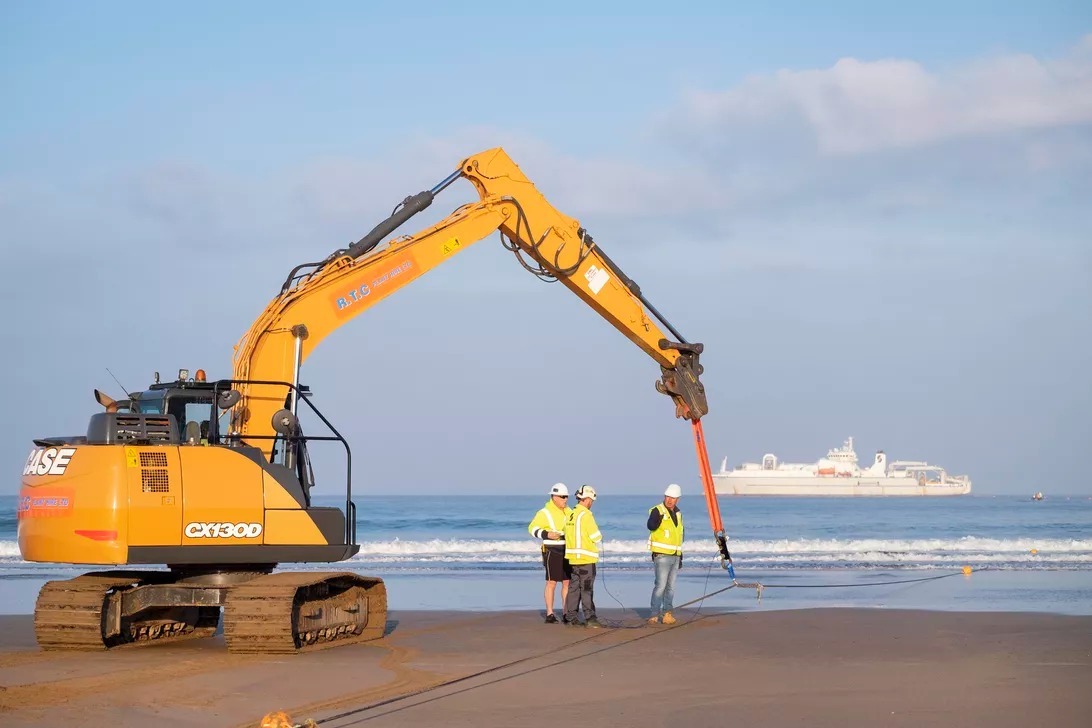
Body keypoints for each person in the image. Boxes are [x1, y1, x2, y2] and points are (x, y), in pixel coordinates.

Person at [527, 482, 573, 623]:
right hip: (551, 549)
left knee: (567, 582)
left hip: (567, 549)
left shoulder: (570, 512)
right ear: (554, 497)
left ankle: (566, 613)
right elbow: (532, 528)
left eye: (566, 496)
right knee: (551, 582)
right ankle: (550, 614)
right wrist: (546, 534)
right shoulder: (544, 513)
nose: (565, 499)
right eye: (562, 497)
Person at [563, 485, 603, 628]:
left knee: (574, 589)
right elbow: (596, 536)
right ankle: (590, 618)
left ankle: (570, 617)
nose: (591, 503)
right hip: (586, 560)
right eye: (591, 500)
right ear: (587, 499)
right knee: (586, 589)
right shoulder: (586, 515)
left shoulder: (571, 514)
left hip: (573, 560)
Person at [647, 483, 683, 625]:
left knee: (671, 587)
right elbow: (650, 525)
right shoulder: (657, 510)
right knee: (660, 586)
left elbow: (679, 535)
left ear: (677, 499)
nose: (669, 500)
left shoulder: (678, 514)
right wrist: (658, 519)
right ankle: (654, 614)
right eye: (667, 497)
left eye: (672, 498)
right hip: (661, 555)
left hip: (675, 555)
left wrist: (680, 555)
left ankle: (667, 614)